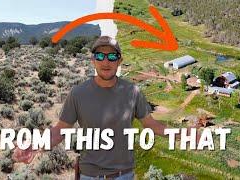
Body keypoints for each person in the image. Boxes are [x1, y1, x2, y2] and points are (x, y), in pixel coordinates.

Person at [12, 36, 197, 180]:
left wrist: (183, 134)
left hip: (123, 175)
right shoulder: (78, 93)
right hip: (89, 175)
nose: (105, 61)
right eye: (100, 56)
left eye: (112, 56)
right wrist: (36, 144)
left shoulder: (133, 92)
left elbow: (153, 126)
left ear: (119, 60)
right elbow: (60, 130)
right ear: (93, 60)